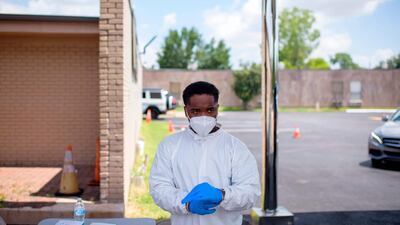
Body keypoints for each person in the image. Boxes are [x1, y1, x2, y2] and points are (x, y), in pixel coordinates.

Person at [149, 81, 260, 225]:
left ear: (217, 109)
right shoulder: (169, 146)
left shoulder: (236, 148)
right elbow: (159, 188)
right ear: (186, 111)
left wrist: (222, 195)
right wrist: (186, 204)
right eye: (195, 111)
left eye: (210, 110)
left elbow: (251, 191)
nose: (203, 116)